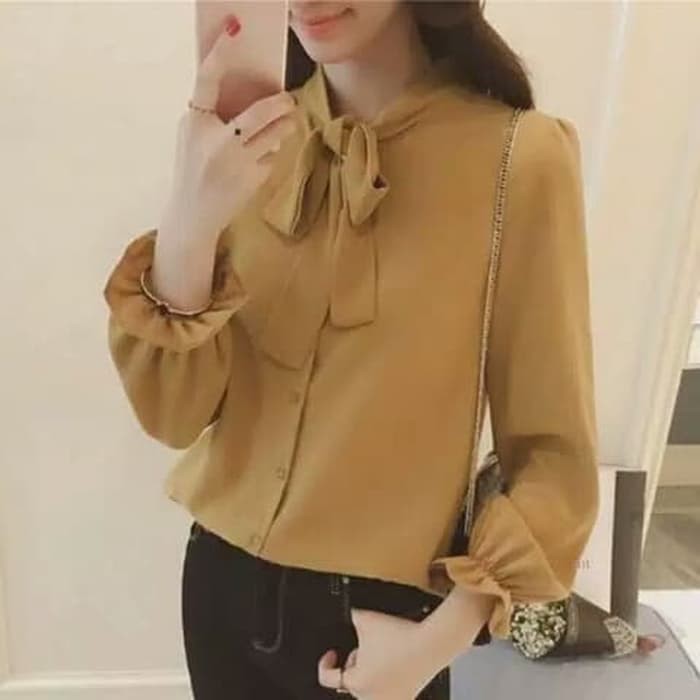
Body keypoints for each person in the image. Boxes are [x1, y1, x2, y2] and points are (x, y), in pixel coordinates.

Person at [102, 1, 600, 698]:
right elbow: (174, 416)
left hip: (379, 625)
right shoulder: (248, 138)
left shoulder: (520, 158)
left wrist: (440, 639)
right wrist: (189, 223)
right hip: (218, 582)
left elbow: (552, 452)